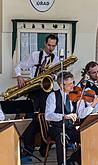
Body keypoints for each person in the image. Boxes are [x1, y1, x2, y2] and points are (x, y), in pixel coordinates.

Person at [15, 34, 59, 163]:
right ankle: (28, 149)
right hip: (34, 91)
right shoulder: (34, 55)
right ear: (44, 44)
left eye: (53, 46)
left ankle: (44, 149)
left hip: (47, 91)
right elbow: (18, 66)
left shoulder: (56, 59)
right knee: (30, 119)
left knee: (48, 118)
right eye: (49, 45)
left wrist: (53, 76)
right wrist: (19, 76)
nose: (51, 48)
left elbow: (58, 76)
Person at [45, 71, 80, 165]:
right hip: (56, 127)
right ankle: (62, 163)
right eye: (69, 84)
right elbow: (48, 115)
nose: (72, 86)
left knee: (87, 137)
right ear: (61, 85)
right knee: (62, 136)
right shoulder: (53, 96)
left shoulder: (75, 95)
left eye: (73, 82)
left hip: (70, 128)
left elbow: (80, 112)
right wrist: (64, 116)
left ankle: (71, 160)